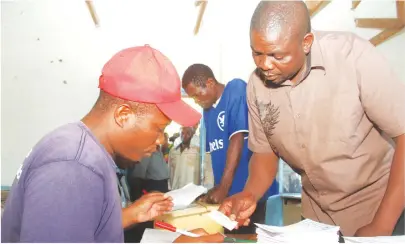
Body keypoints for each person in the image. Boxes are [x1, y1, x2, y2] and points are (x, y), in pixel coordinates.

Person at [219, 0, 405, 237]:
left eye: (277, 55)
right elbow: (264, 152)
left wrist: (382, 225)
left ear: (306, 43)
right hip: (318, 220)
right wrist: (250, 193)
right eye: (257, 53)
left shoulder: (353, 57)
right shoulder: (256, 86)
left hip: (384, 208)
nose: (265, 65)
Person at [1, 45, 202, 242]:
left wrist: (129, 215)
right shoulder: (72, 166)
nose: (160, 141)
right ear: (124, 115)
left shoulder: (81, 150)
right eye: (159, 129)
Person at [182, 63, 279, 234]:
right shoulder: (208, 112)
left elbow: (237, 139)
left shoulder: (235, 89)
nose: (197, 101)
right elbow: (216, 156)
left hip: (253, 197)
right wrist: (215, 189)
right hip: (229, 201)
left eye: (198, 95)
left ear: (210, 82)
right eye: (194, 99)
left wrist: (223, 188)